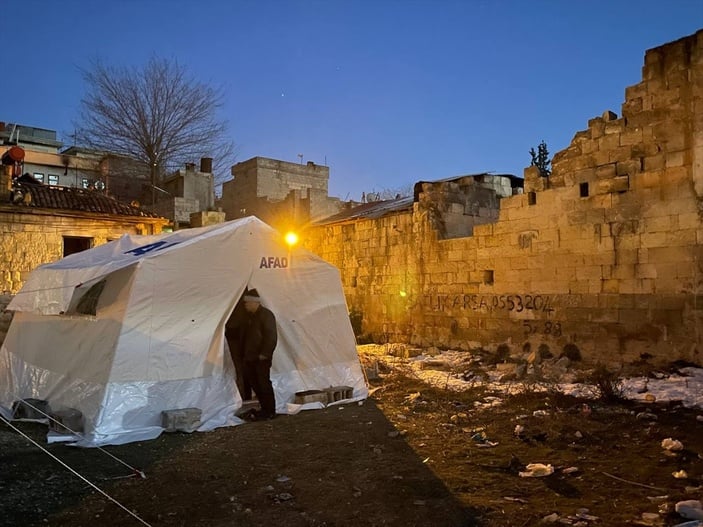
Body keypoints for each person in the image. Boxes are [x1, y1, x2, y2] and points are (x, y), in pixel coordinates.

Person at [241, 289, 278, 420]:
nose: (245, 305)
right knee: (256, 384)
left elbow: (271, 336)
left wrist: (265, 354)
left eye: (246, 302)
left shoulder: (266, 315)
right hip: (251, 357)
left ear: (253, 302)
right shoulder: (252, 317)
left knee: (263, 383)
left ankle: (270, 410)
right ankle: (264, 408)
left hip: (261, 358)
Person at [224, 295, 250, 401]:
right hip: (238, 342)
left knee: (241, 370)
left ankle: (244, 395)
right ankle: (244, 395)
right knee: (241, 370)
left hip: (239, 343)